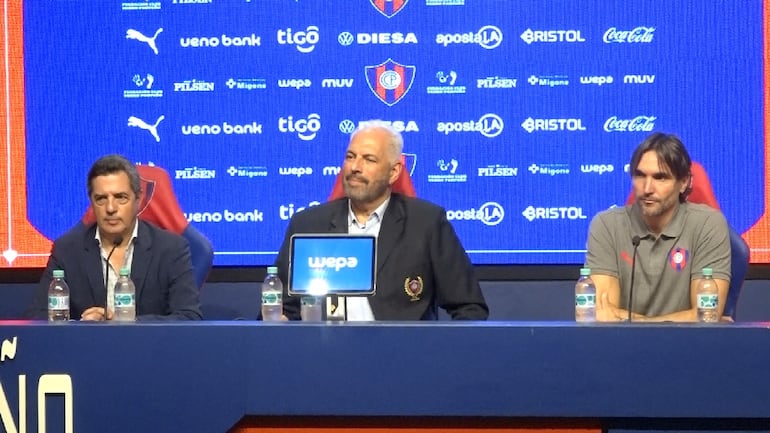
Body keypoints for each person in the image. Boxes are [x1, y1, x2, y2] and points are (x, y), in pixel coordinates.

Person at [274, 120, 489, 320]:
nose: (354, 167)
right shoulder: (308, 225)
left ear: (394, 172)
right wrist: (279, 320)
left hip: (402, 356)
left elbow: (469, 308)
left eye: (369, 159)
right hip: (324, 354)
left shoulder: (426, 223)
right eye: (350, 156)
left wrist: (435, 356)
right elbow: (281, 307)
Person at [28, 155, 202, 321]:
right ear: (91, 202)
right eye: (101, 199)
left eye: (120, 197)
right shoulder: (67, 250)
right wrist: (81, 325)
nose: (110, 208)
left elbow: (189, 316)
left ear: (138, 200)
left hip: (151, 349)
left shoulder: (171, 248)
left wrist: (127, 322)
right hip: (87, 348)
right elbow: (39, 317)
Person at [585, 132, 731, 322]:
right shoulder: (606, 225)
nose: (647, 188)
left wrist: (638, 323)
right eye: (640, 175)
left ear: (684, 182)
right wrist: (655, 324)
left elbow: (705, 315)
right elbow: (600, 313)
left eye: (660, 178)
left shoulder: (708, 225)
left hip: (690, 347)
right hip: (621, 347)